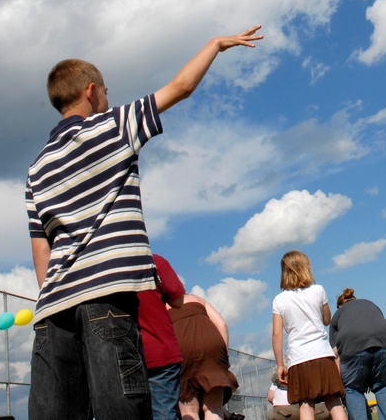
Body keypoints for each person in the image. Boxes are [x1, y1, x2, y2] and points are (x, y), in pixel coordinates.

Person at [25, 25, 262, 419]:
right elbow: (181, 87)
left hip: (53, 307)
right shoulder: (113, 126)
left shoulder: (36, 168)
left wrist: (57, 297)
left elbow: (41, 251)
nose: (106, 97)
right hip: (107, 296)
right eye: (105, 90)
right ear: (90, 90)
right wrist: (215, 45)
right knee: (123, 410)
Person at [272, 251, 348, 420]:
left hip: (298, 358)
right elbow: (326, 320)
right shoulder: (318, 290)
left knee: (306, 405)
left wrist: (280, 365)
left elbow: (277, 335)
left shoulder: (279, 300)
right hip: (323, 354)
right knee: (334, 402)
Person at [329, 288, 386, 420]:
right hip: (384, 342)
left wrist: (342, 384)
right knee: (382, 386)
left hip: (353, 346)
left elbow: (336, 355)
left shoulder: (338, 315)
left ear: (339, 306)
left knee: (353, 390)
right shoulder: (369, 304)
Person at [170, 293, 242, 420]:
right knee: (213, 408)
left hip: (183, 348)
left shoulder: (163, 306)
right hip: (212, 347)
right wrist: (224, 356)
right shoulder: (197, 299)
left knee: (189, 410)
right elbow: (222, 325)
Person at [139, 254, 186, 420]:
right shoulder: (154, 261)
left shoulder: (104, 266)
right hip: (160, 351)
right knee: (164, 414)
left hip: (120, 354)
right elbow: (178, 301)